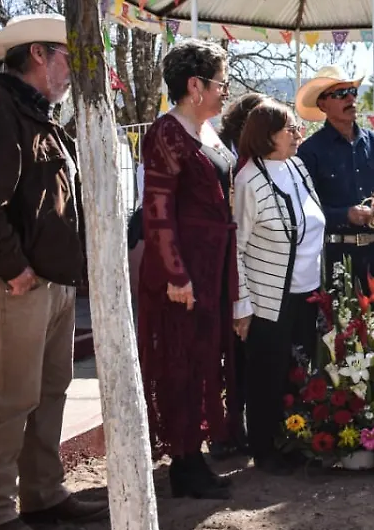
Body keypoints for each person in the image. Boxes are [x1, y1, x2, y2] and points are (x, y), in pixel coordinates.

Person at [0, 14, 106, 530]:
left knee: (47, 393)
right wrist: (15, 270)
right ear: (37, 54)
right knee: (9, 400)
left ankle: (42, 493)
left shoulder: (35, 114)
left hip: (46, 283)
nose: (71, 72)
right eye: (66, 59)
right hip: (13, 285)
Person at [137, 39, 248, 500]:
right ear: (195, 85)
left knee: (206, 360)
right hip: (182, 273)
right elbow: (157, 210)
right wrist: (176, 274)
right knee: (180, 364)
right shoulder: (166, 133)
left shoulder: (209, 132)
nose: (225, 92)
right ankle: (184, 463)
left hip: (214, 267)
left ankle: (196, 452)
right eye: (220, 83)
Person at [233, 99, 324, 475]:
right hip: (269, 297)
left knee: (299, 370)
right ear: (268, 135)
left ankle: (295, 439)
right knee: (267, 373)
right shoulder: (247, 180)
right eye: (290, 128)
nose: (298, 133)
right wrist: (242, 305)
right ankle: (265, 449)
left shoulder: (298, 167)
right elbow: (236, 247)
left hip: (308, 291)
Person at [295, 66, 374, 284]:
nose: (350, 98)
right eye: (341, 94)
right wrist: (344, 215)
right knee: (340, 317)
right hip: (335, 254)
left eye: (353, 92)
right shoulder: (310, 151)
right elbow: (303, 209)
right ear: (322, 104)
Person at [207, 91, 264, 460]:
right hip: (216, 266)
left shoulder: (260, 157)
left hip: (251, 268)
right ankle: (221, 430)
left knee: (245, 354)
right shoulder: (220, 154)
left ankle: (242, 424)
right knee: (219, 353)